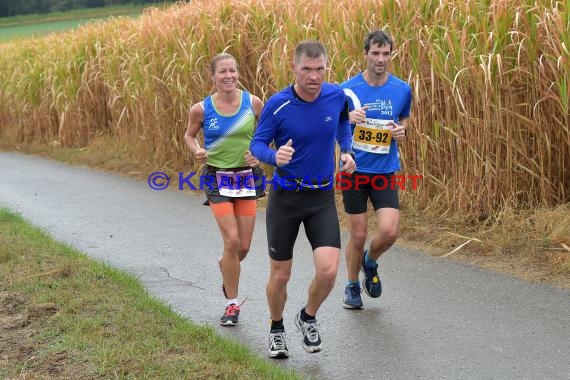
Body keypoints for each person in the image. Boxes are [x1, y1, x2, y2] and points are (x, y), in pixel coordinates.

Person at [250, 40, 356, 358]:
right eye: (307, 69)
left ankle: (307, 316)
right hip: (286, 198)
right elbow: (257, 144)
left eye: (319, 69)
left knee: (328, 271)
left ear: (326, 67)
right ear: (294, 67)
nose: (313, 76)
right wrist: (274, 156)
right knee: (281, 274)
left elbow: (342, 122)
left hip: (321, 196)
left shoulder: (336, 95)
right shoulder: (278, 104)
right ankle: (276, 327)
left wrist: (347, 150)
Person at [184, 53, 264, 326]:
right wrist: (197, 149)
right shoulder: (202, 109)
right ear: (213, 76)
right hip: (216, 178)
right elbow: (189, 134)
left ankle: (226, 263)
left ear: (238, 73)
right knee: (231, 241)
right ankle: (232, 304)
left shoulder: (252, 103)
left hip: (247, 178)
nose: (228, 76)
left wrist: (258, 153)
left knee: (242, 247)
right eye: (222, 72)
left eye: (233, 71)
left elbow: (266, 136)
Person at [339, 30, 412, 309]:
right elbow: (332, 125)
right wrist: (348, 118)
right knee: (357, 234)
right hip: (354, 172)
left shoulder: (402, 89)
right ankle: (351, 287)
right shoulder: (347, 89)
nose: (381, 59)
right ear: (365, 53)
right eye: (375, 53)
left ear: (391, 54)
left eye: (386, 54)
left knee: (390, 231)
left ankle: (369, 262)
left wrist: (401, 131)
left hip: (384, 172)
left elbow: (405, 119)